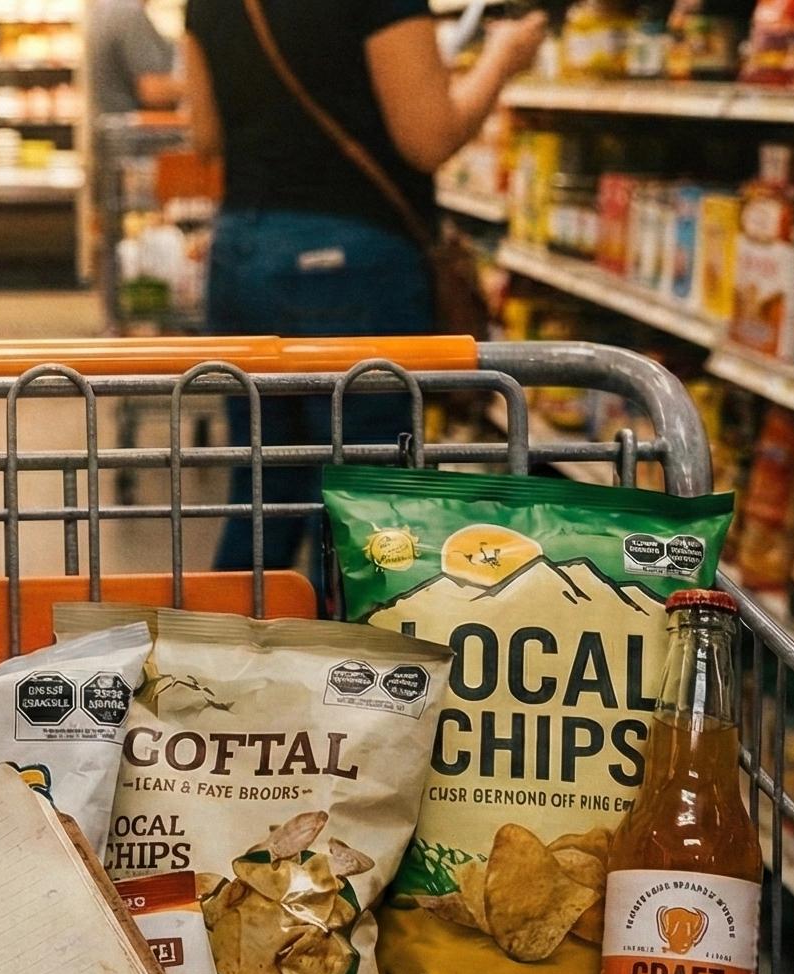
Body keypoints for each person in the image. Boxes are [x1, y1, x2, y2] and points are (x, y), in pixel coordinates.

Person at [181, 0, 542, 573]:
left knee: (264, 487)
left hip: (243, 252)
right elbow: (428, 138)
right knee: (363, 501)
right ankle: (346, 636)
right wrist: (502, 56)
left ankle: (224, 629)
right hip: (351, 260)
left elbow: (205, 135)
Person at [90, 0, 180, 117]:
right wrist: (197, 87)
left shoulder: (103, 9)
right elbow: (154, 90)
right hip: (132, 122)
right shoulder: (128, 13)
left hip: (110, 121)